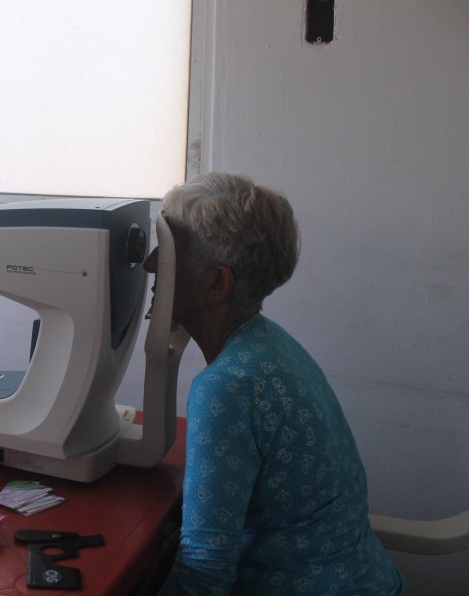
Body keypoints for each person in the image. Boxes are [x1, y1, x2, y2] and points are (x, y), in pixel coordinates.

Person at [147, 173, 405, 595]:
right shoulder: (268, 342)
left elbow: (204, 573)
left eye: (169, 250)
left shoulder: (227, 386)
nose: (150, 264)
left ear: (217, 283)